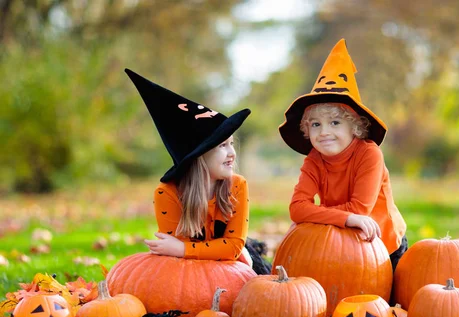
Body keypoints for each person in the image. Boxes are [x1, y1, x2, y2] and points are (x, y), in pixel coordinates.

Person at [125, 69, 271, 274]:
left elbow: (233, 247)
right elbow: (176, 258)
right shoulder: (167, 193)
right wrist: (180, 250)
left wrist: (183, 248)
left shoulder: (237, 185)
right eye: (221, 146)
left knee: (251, 265)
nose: (231, 153)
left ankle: (254, 247)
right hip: (192, 271)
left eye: (231, 144)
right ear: (198, 156)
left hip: (233, 264)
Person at [278, 40, 408, 270]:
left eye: (335, 122)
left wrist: (313, 215)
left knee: (384, 305)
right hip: (338, 242)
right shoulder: (313, 160)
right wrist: (330, 217)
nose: (324, 132)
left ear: (355, 127)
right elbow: (297, 208)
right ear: (307, 130)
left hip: (381, 246)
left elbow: (359, 210)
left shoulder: (369, 154)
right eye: (316, 124)